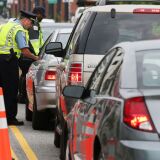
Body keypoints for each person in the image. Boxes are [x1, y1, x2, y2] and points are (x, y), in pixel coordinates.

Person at [0, 10, 39, 125]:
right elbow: (24, 50)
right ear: (26, 20)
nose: (31, 27)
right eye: (31, 24)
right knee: (11, 90)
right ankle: (10, 118)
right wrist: (35, 57)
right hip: (8, 62)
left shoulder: (4, 26)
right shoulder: (18, 29)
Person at [18, 6, 46, 103]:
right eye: (42, 15)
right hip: (30, 53)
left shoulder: (34, 23)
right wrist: (36, 55)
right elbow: (33, 41)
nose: (43, 17)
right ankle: (23, 96)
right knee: (27, 74)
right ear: (37, 14)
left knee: (25, 74)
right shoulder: (34, 24)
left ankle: (21, 95)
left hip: (27, 53)